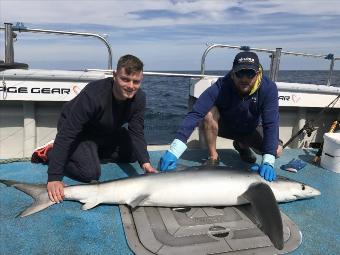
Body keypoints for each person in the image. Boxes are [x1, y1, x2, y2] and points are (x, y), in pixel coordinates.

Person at [31, 54, 157, 203]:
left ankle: (91, 152)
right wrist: (54, 176)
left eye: (136, 81)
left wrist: (146, 164)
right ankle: (50, 152)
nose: (130, 86)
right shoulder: (94, 95)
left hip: (104, 130)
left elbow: (136, 132)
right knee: (90, 173)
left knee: (133, 155)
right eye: (125, 79)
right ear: (115, 75)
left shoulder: (139, 98)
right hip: (80, 132)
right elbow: (67, 134)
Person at [159, 51, 282, 181]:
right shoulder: (222, 85)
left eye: (250, 74)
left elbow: (271, 124)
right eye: (240, 73)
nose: (244, 79)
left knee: (276, 150)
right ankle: (213, 157)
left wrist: (268, 161)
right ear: (233, 73)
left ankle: (241, 145)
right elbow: (195, 113)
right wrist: (174, 150)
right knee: (208, 113)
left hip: (251, 129)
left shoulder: (268, 88)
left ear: (257, 74)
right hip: (227, 127)